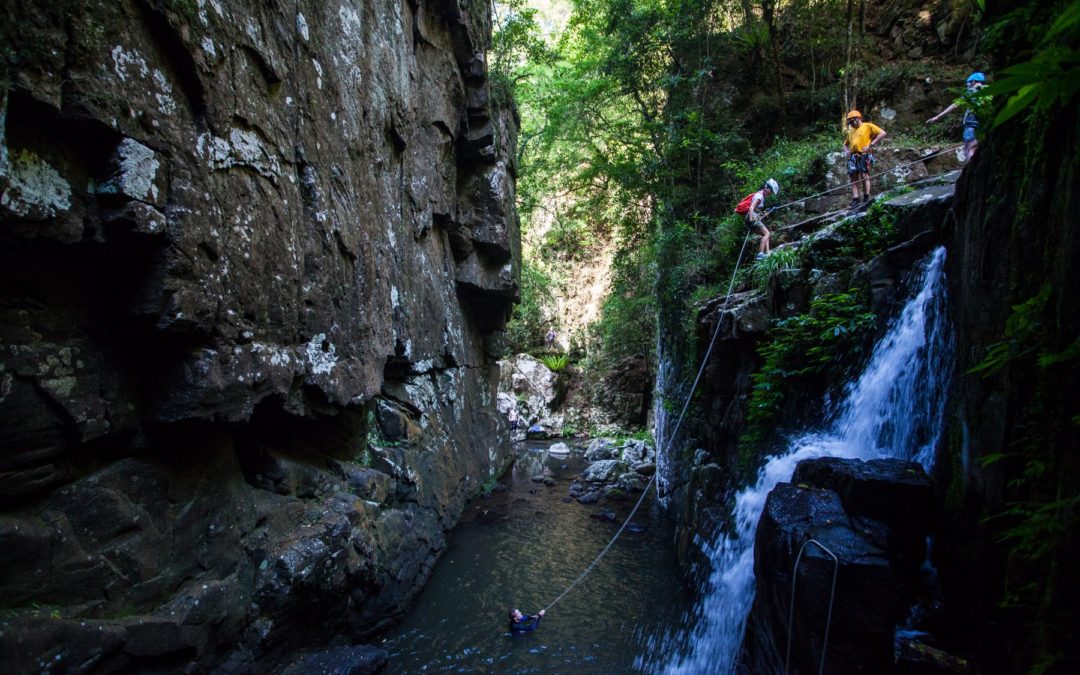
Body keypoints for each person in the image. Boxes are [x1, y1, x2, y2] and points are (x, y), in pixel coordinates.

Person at [926, 72, 987, 162]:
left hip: (971, 125)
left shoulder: (973, 90)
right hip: (984, 125)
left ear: (973, 81)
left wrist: (938, 117)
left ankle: (971, 171)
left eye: (968, 84)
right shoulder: (989, 91)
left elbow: (956, 105)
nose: (967, 87)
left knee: (969, 151)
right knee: (978, 150)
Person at [843, 110, 887, 209]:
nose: (851, 124)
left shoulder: (867, 126)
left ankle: (866, 197)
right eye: (849, 122)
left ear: (858, 119)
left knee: (864, 175)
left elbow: (882, 133)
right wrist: (846, 151)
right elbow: (845, 144)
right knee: (853, 177)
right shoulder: (851, 130)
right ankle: (855, 199)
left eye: (852, 121)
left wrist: (871, 145)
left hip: (863, 154)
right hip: (853, 156)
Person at [734, 178, 779, 260]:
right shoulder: (760, 196)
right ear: (767, 188)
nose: (771, 193)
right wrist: (752, 219)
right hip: (751, 218)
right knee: (767, 233)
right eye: (771, 191)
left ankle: (767, 253)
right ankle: (760, 254)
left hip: (752, 218)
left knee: (765, 234)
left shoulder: (761, 196)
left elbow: (757, 212)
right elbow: (751, 208)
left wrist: (769, 211)